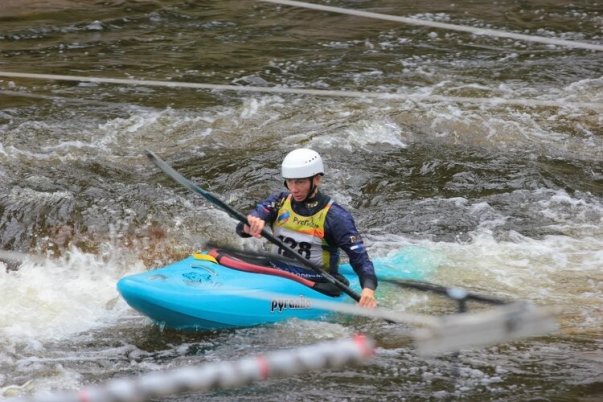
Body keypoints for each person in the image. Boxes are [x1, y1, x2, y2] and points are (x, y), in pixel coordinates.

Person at [235, 148, 377, 308]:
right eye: (290, 181)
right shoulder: (279, 202)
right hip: (276, 271)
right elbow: (244, 226)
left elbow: (360, 258)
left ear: (316, 179)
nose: (293, 189)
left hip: (313, 282)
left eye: (300, 182)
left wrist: (368, 290)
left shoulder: (335, 216)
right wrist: (250, 225)